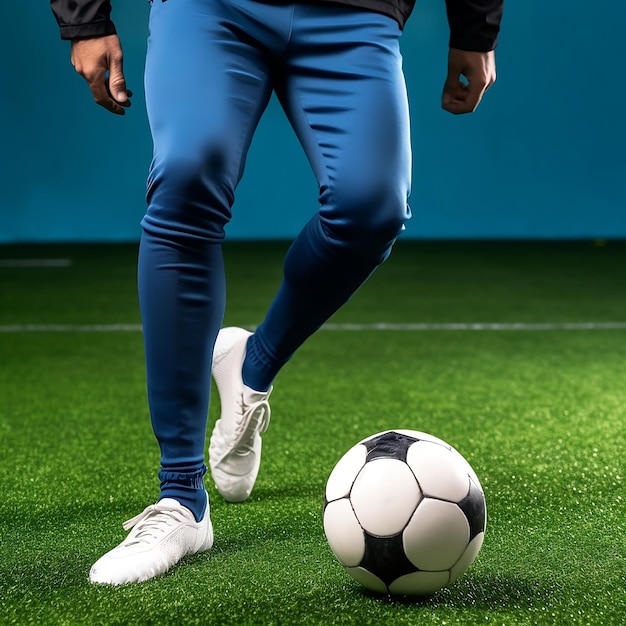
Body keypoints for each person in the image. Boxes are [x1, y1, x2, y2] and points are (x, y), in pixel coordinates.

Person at [51, 0, 503, 585]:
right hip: (210, 8)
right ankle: (181, 498)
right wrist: (84, 17)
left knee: (372, 209)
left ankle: (252, 362)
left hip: (355, 11)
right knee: (186, 178)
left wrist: (475, 25)